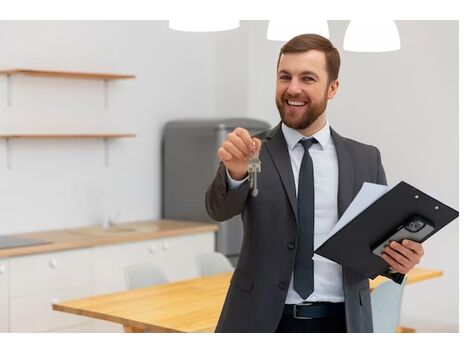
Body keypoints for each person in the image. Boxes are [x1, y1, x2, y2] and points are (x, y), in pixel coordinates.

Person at [205, 34, 424, 333]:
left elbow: (379, 247)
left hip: (343, 323)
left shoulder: (365, 159)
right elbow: (218, 210)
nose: (292, 88)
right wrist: (235, 175)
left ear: (332, 88)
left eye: (307, 78)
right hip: (260, 321)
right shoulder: (252, 152)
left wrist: (399, 260)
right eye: (285, 76)